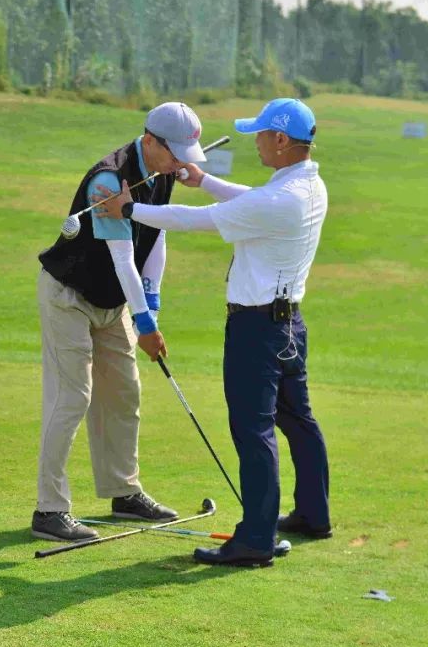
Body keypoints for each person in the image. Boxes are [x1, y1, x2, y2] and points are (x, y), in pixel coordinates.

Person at [93, 98, 332, 566]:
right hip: (289, 326)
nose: (256, 142)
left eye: (261, 134)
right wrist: (202, 180)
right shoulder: (308, 185)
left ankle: (255, 540)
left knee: (253, 428)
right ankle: (312, 514)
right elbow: (251, 200)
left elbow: (193, 220)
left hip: (256, 328)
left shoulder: (279, 199)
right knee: (298, 421)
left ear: (281, 140)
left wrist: (131, 208)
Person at [31, 102, 208, 542]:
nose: (181, 161)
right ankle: (49, 510)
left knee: (125, 393)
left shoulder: (163, 173)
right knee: (73, 397)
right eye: (175, 152)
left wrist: (153, 307)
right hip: (69, 295)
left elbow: (157, 238)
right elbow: (124, 258)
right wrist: (146, 327)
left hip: (113, 303)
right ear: (150, 140)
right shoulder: (109, 181)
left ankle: (122, 493)